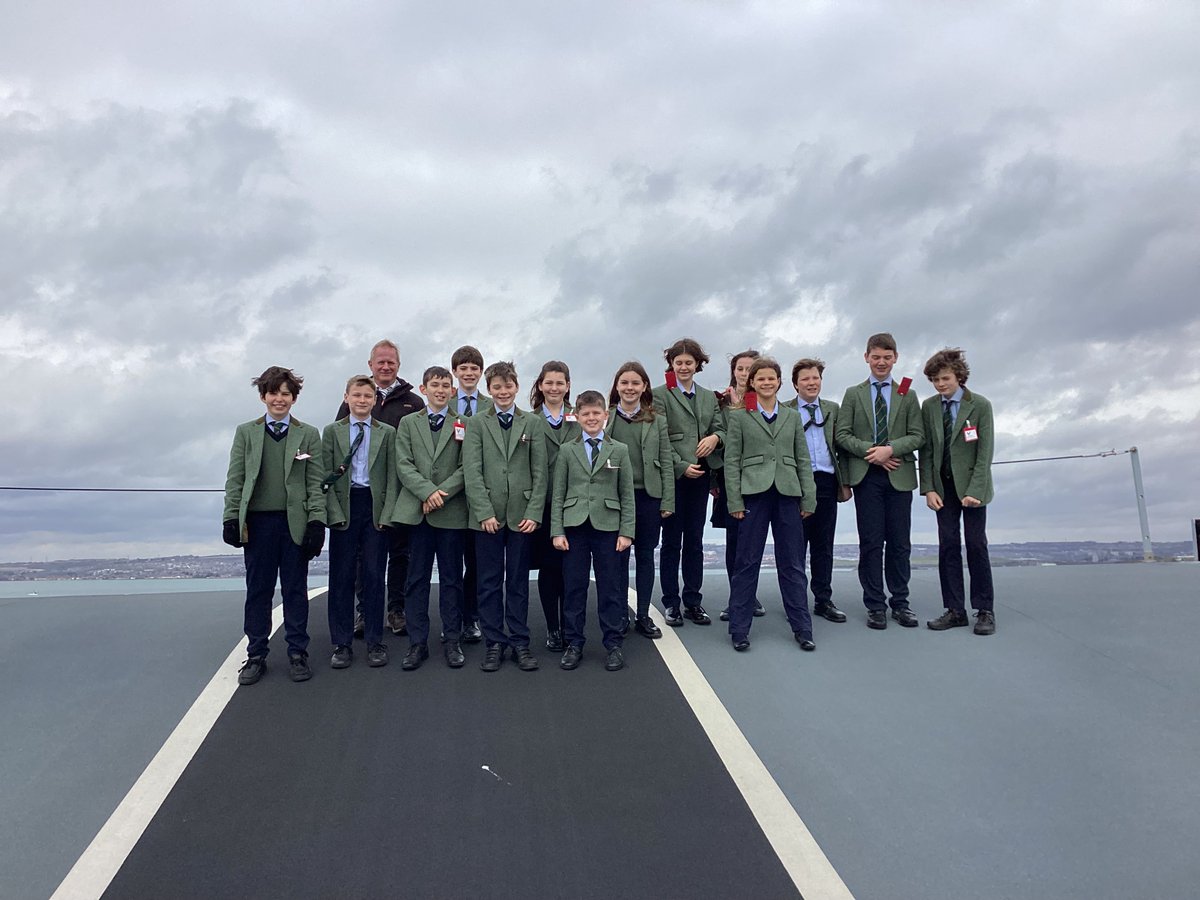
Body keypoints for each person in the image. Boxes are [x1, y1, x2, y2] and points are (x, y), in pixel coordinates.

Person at [223, 366, 326, 685]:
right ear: (263, 396)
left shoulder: (308, 433)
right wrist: (231, 516)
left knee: (295, 590)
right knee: (258, 591)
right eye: (273, 393)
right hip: (257, 523)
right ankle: (256, 654)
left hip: (293, 522)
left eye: (286, 393)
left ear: (294, 398)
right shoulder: (246, 432)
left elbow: (315, 481)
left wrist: (316, 521)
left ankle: (297, 652)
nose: (279, 399)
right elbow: (236, 478)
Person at [723, 359, 817, 651]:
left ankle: (802, 628)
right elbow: (731, 462)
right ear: (752, 383)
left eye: (771, 378)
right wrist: (735, 500)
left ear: (779, 382)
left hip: (788, 493)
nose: (766, 383)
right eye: (760, 379)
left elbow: (802, 458)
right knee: (746, 562)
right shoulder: (739, 417)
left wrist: (808, 496)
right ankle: (739, 629)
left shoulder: (791, 416)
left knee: (792, 563)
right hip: (754, 493)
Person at [334, 340, 423, 639]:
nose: (385, 367)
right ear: (370, 364)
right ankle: (364, 612)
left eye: (391, 362)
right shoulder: (356, 397)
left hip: (400, 492)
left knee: (400, 554)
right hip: (362, 495)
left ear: (399, 365)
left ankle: (395, 610)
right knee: (364, 559)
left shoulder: (413, 401)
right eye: (380, 362)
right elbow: (339, 445)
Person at [835, 332, 924, 629]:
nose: (881, 362)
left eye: (887, 357)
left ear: (895, 358)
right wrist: (873, 453)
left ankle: (901, 603)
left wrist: (891, 449)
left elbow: (917, 435)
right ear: (866, 358)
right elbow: (842, 435)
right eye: (876, 357)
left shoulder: (908, 394)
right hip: (867, 476)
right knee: (871, 543)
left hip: (899, 475)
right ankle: (875, 605)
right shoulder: (853, 393)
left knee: (900, 543)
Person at [462, 361, 547, 672]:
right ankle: (494, 642)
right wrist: (483, 511)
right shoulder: (476, 424)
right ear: (489, 390)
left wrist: (534, 512)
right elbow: (472, 471)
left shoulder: (532, 424)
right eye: (496, 387)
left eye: (507, 386)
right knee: (488, 582)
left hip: (522, 516)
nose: (502, 391)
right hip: (487, 517)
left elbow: (540, 473)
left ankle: (520, 642)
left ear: (516, 387)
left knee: (518, 582)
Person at [389, 366, 470, 669]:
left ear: (453, 391)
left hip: (450, 512)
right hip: (419, 513)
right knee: (416, 579)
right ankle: (417, 643)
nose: (440, 390)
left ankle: (452, 639)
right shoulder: (408, 423)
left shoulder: (464, 424)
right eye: (434, 385)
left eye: (445, 385)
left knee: (452, 580)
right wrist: (427, 492)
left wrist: (441, 493)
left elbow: (467, 467)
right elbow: (404, 463)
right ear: (423, 389)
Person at [551, 390, 636, 671]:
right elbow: (559, 493)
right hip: (574, 527)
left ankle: (613, 644)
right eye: (585, 413)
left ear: (605, 416)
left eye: (595, 413)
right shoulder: (567, 450)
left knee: (610, 588)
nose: (591, 418)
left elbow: (627, 495)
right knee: (574, 588)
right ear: (577, 416)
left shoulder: (620, 450)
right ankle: (574, 643)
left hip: (608, 527)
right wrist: (557, 530)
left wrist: (626, 531)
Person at [919, 348, 997, 635]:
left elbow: (984, 451)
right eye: (936, 380)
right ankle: (954, 610)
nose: (941, 385)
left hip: (973, 488)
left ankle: (984, 610)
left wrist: (975, 489)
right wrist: (928, 488)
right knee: (948, 545)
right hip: (944, 488)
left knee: (976, 545)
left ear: (959, 376)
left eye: (945, 378)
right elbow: (926, 451)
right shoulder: (929, 407)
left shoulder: (980, 405)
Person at [322, 375, 395, 668]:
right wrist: (333, 514)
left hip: (373, 507)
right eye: (357, 395)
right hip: (345, 505)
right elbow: (323, 476)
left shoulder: (387, 433)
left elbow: (392, 477)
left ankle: (376, 641)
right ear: (346, 397)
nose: (362, 400)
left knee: (375, 575)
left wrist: (386, 515)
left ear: (375, 400)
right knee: (341, 577)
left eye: (368, 396)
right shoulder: (332, 432)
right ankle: (341, 643)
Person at [653, 338, 724, 627]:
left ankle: (693, 601)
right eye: (678, 362)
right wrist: (681, 466)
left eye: (688, 362)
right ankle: (671, 602)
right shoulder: (660, 395)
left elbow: (720, 427)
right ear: (671, 364)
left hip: (702, 476)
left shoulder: (709, 397)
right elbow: (658, 437)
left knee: (694, 541)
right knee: (671, 542)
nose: (683, 367)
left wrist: (715, 438)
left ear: (698, 365)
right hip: (673, 477)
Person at [606, 362, 674, 638]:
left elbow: (666, 461)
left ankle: (643, 614)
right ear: (617, 387)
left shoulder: (656, 420)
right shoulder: (606, 418)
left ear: (644, 386)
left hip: (648, 496)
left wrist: (667, 500)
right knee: (618, 558)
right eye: (625, 383)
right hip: (615, 498)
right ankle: (620, 613)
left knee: (645, 557)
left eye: (635, 383)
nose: (630, 388)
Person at [783, 358, 852, 623]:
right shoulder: (785, 410)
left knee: (823, 546)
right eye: (805, 379)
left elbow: (841, 448)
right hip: (796, 484)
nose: (811, 383)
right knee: (795, 547)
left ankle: (823, 599)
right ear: (795, 384)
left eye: (815, 378)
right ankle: (796, 602)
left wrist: (844, 483)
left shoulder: (833, 409)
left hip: (826, 481)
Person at [528, 361, 580, 651]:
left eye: (560, 383)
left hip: (574, 504)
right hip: (545, 503)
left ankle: (571, 625)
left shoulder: (579, 418)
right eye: (549, 383)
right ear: (540, 385)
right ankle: (553, 627)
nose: (554, 388)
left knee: (571, 569)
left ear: (568, 386)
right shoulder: (530, 420)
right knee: (549, 568)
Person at [714, 349, 764, 622]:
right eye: (740, 368)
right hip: (730, 479)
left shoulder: (766, 401)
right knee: (734, 541)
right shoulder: (721, 401)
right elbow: (718, 437)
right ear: (733, 371)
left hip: (759, 479)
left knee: (753, 541)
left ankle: (750, 595)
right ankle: (737, 598)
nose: (745, 373)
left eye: (750, 368)